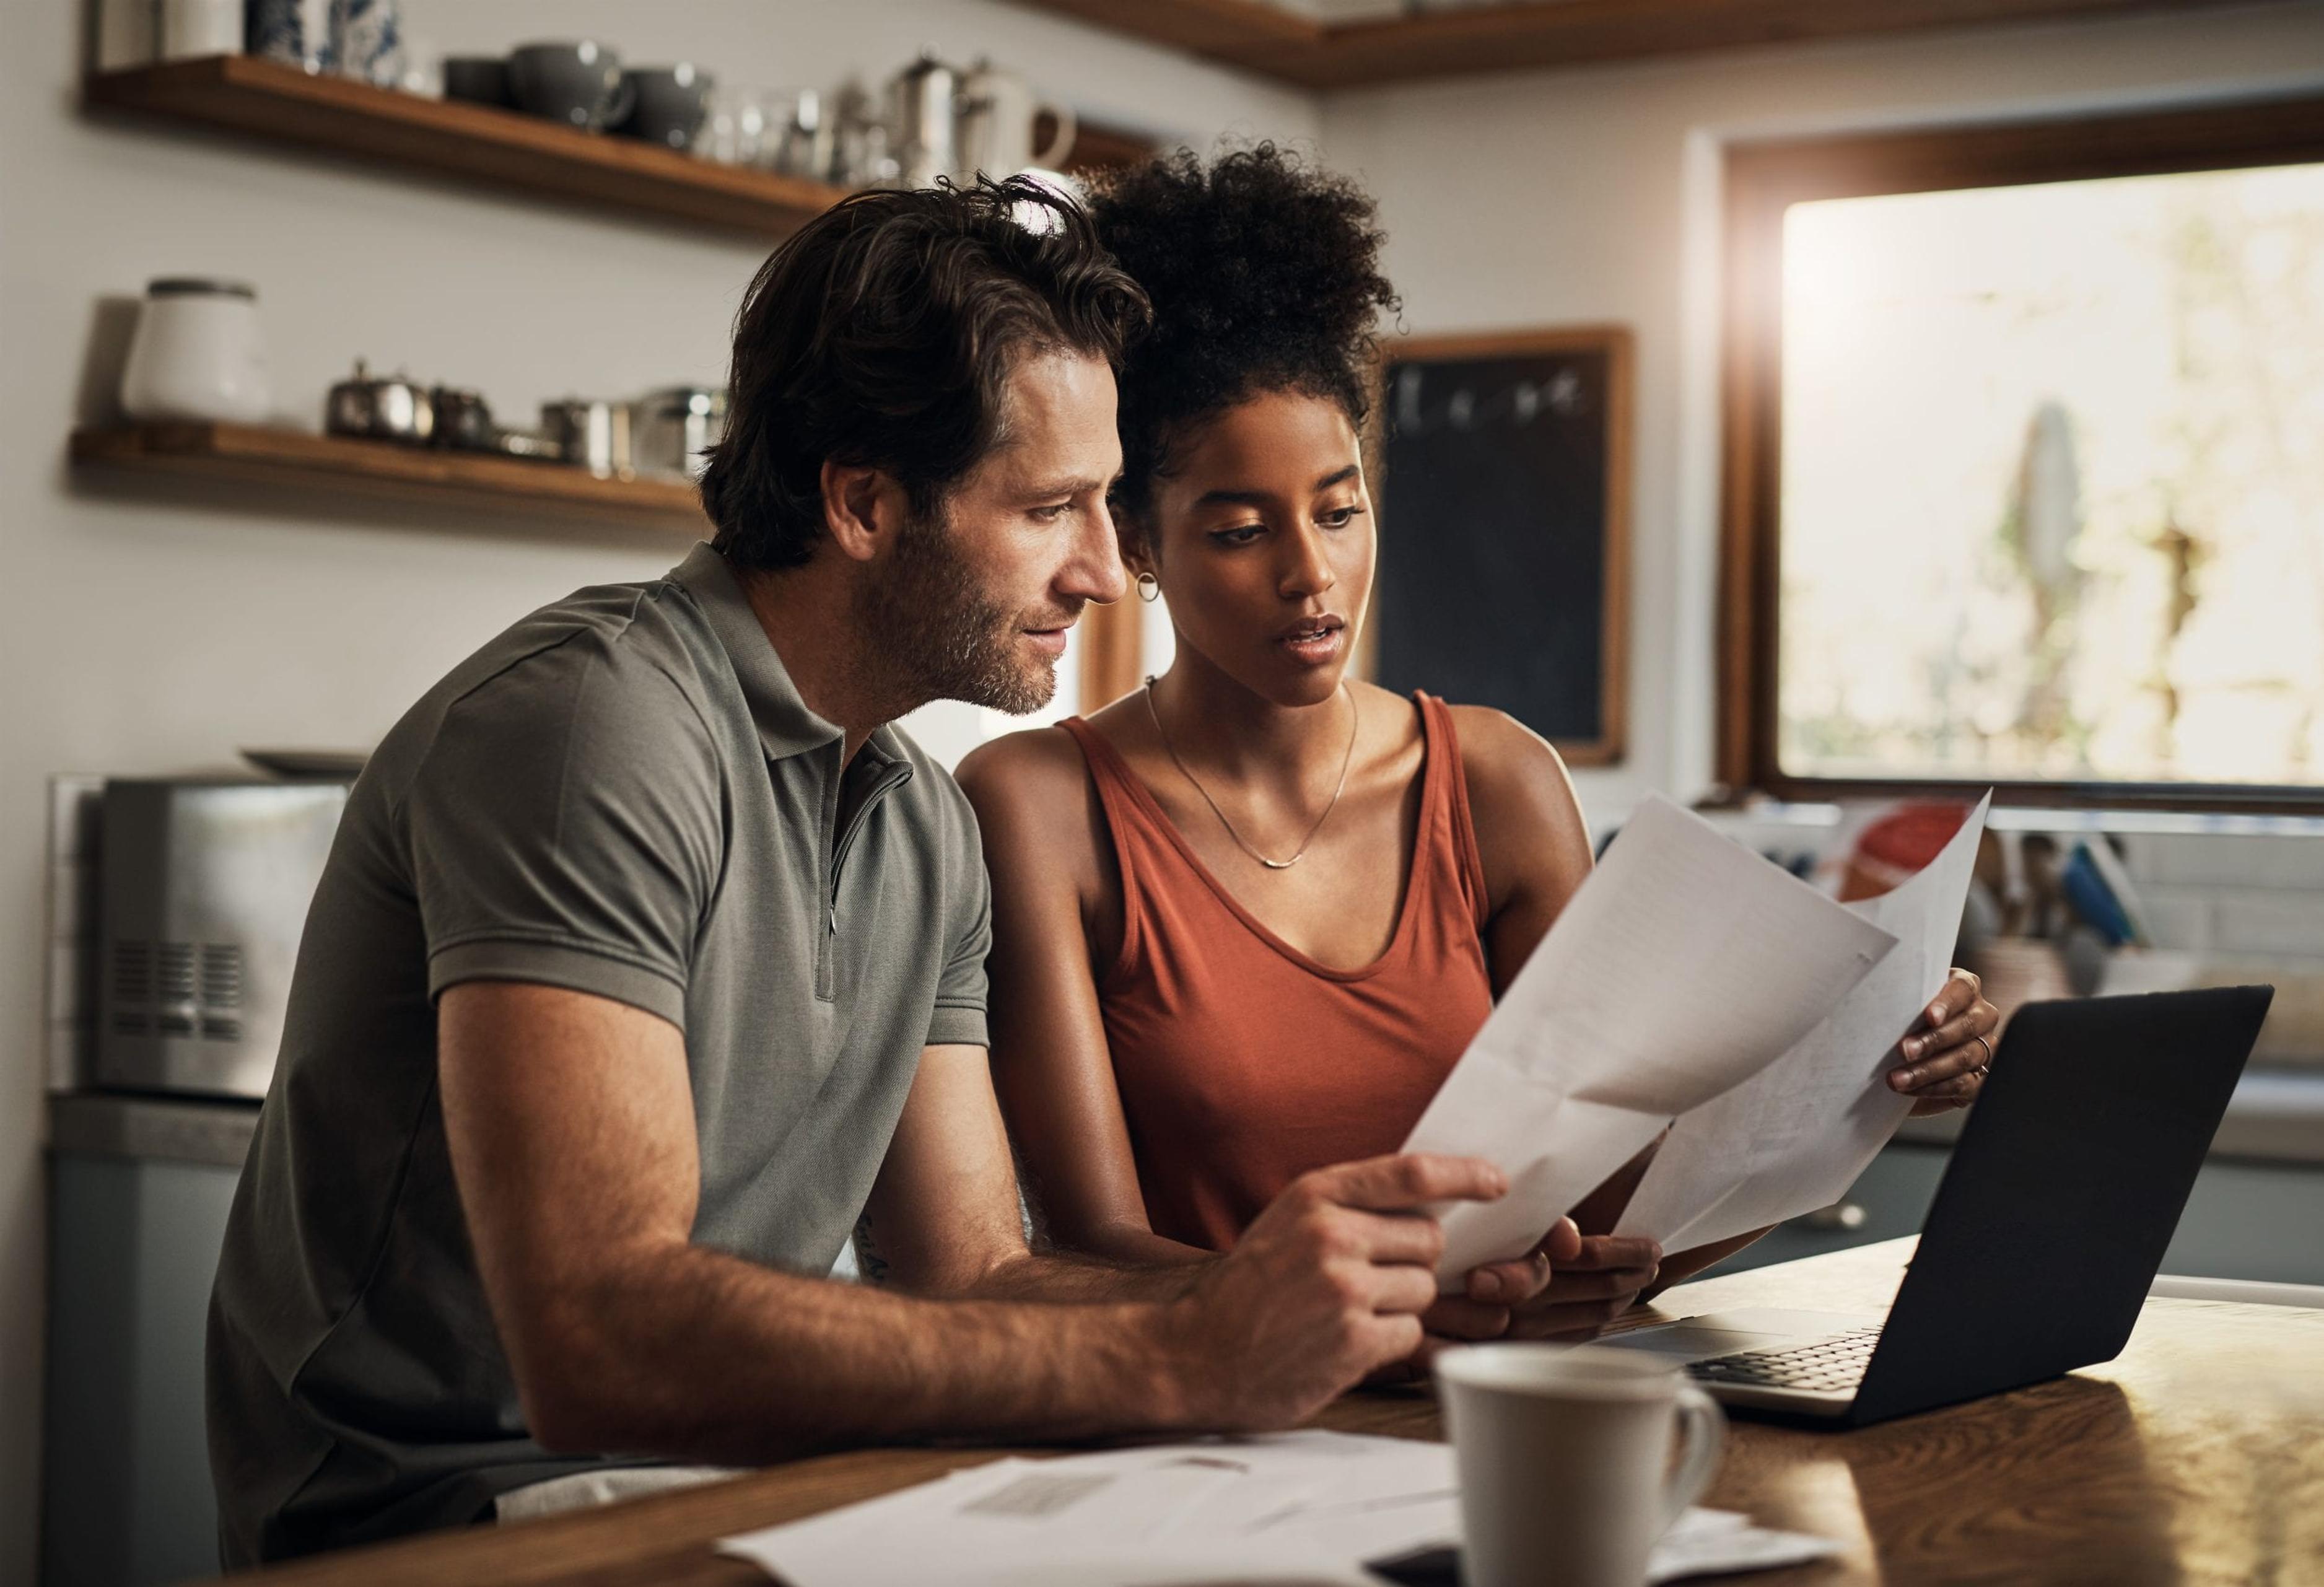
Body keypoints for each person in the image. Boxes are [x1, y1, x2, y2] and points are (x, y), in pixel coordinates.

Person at [204, 178, 1551, 1565]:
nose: (1102, 570)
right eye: (1052, 509)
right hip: (450, 1517)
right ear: (862, 501)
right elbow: (600, 1338)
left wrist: (1305, 1310)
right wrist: (1177, 1360)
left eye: (1107, 509)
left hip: (729, 1487)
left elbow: (976, 1274)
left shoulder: (918, 817)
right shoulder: (594, 730)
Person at [956, 147, 1999, 1355]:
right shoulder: (1040, 807)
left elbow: (1616, 1219)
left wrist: (1865, 1079)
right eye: (1240, 530)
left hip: (1502, 1418)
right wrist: (1402, 1317)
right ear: (1134, 537)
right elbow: (1091, 1251)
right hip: (1215, 1440)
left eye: (1341, 509)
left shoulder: (1495, 781)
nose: (1312, 574)